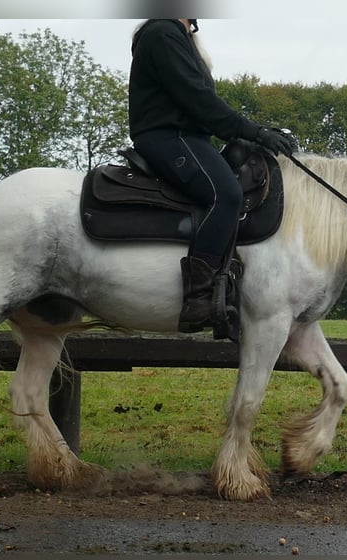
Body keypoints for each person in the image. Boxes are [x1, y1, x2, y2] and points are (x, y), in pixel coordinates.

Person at [128, 18, 294, 337]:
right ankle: (198, 299)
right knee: (226, 195)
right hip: (168, 137)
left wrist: (251, 134)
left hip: (188, 138)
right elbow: (198, 99)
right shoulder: (162, 31)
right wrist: (253, 131)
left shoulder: (179, 36)